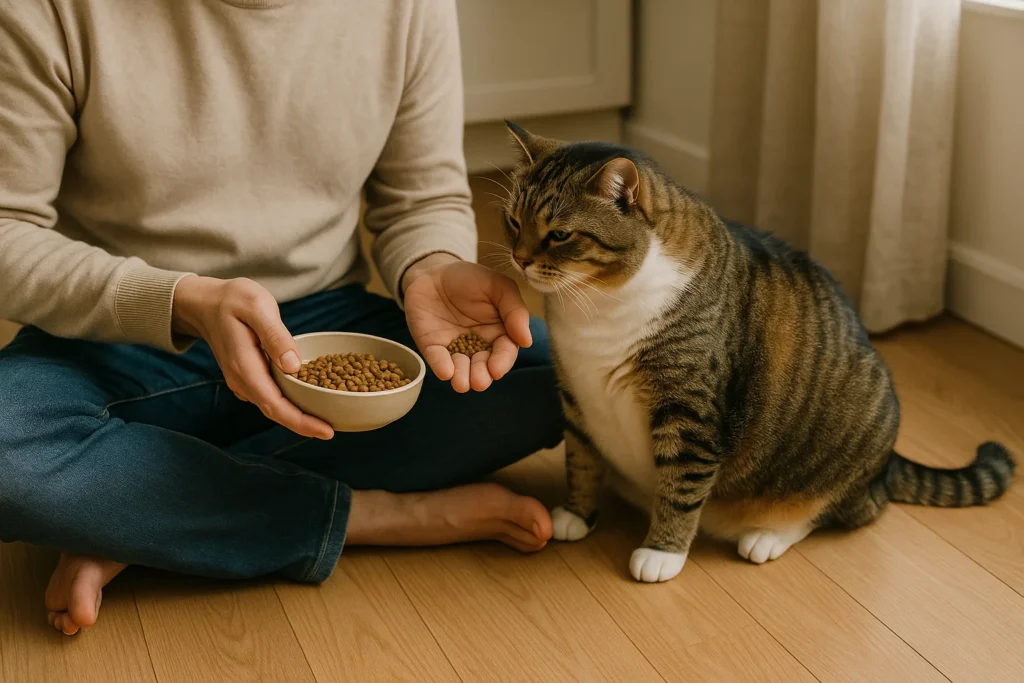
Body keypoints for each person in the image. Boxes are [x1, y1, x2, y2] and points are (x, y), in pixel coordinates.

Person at [0, 0, 563, 636]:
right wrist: (178, 298)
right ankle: (363, 517)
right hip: (119, 328)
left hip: (321, 327)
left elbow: (420, 197)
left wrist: (430, 266)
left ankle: (136, 509)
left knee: (553, 377)